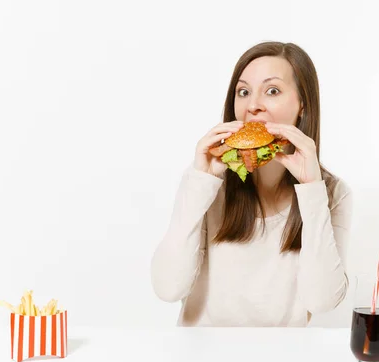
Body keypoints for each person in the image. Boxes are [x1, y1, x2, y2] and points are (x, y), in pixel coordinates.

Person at [151, 41, 353, 327]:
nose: (253, 105)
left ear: (302, 106)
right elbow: (167, 288)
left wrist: (311, 190)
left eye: (272, 91)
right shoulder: (207, 180)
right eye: (243, 92)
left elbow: (322, 301)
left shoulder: (332, 192)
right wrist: (200, 182)